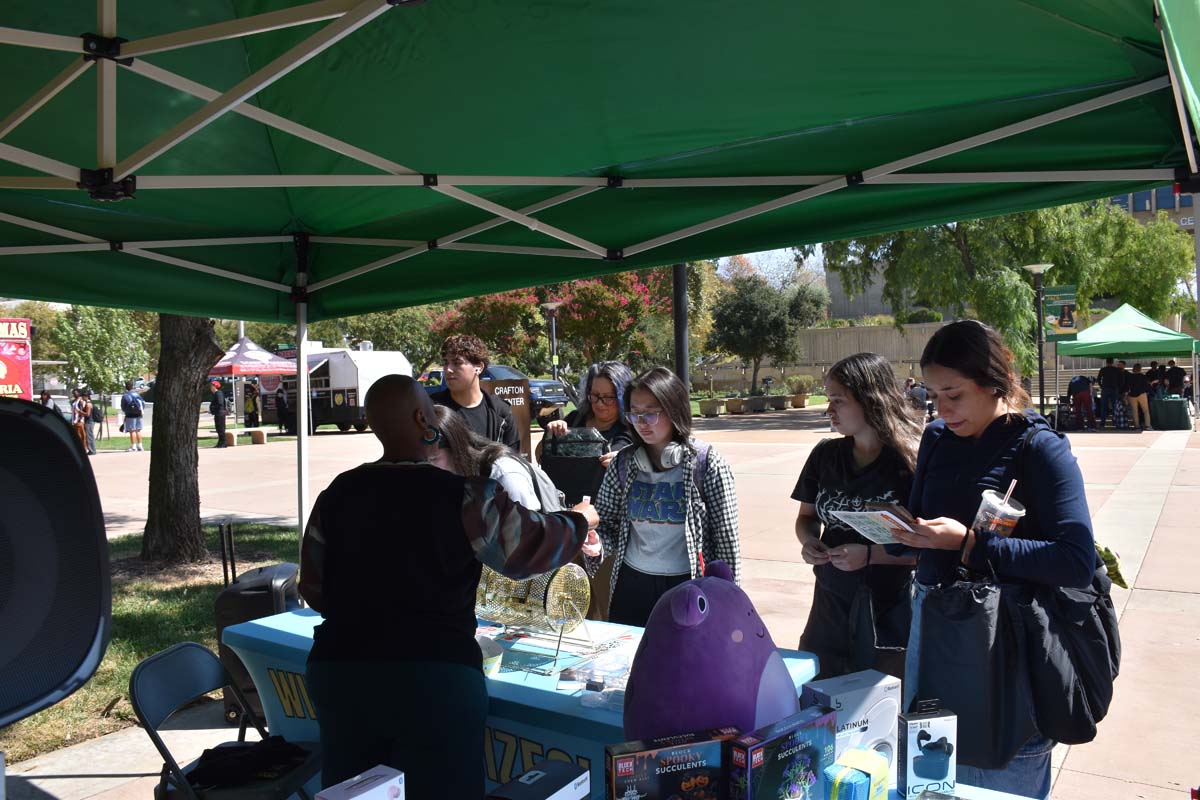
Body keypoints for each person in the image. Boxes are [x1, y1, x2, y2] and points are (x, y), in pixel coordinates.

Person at [299, 375, 598, 798]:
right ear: (423, 419)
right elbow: (529, 546)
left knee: (354, 791)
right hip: (433, 677)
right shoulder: (465, 496)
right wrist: (579, 520)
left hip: (342, 673)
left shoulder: (337, 494)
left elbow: (314, 588)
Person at [889, 320, 1094, 799]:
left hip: (1004, 641)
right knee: (930, 764)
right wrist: (899, 532)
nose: (941, 409)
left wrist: (968, 544)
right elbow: (921, 521)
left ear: (994, 383)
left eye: (954, 395)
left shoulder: (1039, 447)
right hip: (935, 621)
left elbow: (1075, 559)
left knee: (1001, 769)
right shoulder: (937, 437)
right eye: (932, 395)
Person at [792, 353, 921, 679]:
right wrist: (809, 542)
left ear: (870, 399)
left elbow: (928, 546)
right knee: (821, 692)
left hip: (888, 611)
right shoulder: (826, 454)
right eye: (828, 399)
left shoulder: (911, 461)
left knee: (880, 697)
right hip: (829, 605)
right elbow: (807, 517)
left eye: (838, 400)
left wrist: (869, 555)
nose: (829, 409)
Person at [586, 366, 740, 627]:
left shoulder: (707, 463)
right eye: (634, 413)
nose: (641, 422)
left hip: (687, 585)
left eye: (651, 413)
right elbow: (607, 524)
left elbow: (726, 542)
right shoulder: (623, 463)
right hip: (632, 584)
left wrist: (729, 603)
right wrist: (598, 544)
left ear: (674, 410)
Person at [428, 334, 520, 450]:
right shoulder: (431, 408)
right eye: (446, 362)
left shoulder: (501, 414)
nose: (448, 369)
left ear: (479, 367)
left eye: (457, 363)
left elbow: (512, 458)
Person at [539, 360, 635, 465]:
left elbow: (623, 454)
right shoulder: (574, 419)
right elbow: (540, 454)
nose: (600, 404)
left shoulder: (628, 430)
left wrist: (619, 458)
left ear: (622, 398)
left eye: (608, 397)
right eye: (595, 395)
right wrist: (551, 435)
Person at [1096, 358, 1124, 428]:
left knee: (1103, 406)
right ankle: (1115, 422)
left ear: (1106, 362)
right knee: (1115, 406)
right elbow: (1122, 380)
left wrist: (1101, 386)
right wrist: (1118, 387)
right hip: (1114, 389)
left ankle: (1102, 423)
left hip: (1105, 389)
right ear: (1112, 362)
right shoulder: (1116, 370)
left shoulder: (1103, 369)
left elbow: (1098, 379)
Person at [120, 380, 146, 451]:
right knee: (138, 430)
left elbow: (123, 406)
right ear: (133, 386)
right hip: (139, 414)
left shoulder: (126, 395)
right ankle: (140, 446)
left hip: (130, 415)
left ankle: (133, 446)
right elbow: (143, 403)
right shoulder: (137, 394)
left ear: (126, 387)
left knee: (132, 431)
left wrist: (126, 411)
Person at [1125, 364, 1152, 432]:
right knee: (1145, 410)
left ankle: (1137, 426)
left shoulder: (1129, 376)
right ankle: (1148, 426)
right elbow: (1147, 385)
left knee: (1134, 411)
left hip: (1131, 395)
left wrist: (1125, 396)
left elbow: (1127, 387)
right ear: (1140, 369)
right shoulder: (1143, 376)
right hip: (1142, 394)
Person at [70, 388, 89, 454]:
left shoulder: (81, 401)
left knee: (81, 436)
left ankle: (84, 449)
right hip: (74, 421)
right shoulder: (74, 401)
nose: (74, 394)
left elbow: (82, 411)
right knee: (77, 437)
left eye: (75, 393)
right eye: (73, 393)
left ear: (78, 393)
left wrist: (79, 419)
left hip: (79, 422)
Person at [209, 380, 227, 447]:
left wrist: (213, 408)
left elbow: (220, 403)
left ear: (215, 386)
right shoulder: (216, 394)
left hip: (220, 413)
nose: (211, 388)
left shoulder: (219, 393)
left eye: (212, 386)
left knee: (221, 428)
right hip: (217, 413)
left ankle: (223, 443)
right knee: (218, 428)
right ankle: (220, 442)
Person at [81, 388, 97, 455]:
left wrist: (80, 412)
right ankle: (91, 450)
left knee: (89, 436)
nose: (82, 398)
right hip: (88, 422)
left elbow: (87, 414)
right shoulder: (87, 403)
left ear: (86, 397)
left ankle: (92, 450)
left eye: (83, 397)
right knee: (89, 436)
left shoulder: (88, 404)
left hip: (89, 422)